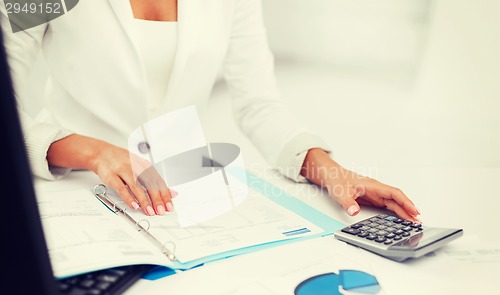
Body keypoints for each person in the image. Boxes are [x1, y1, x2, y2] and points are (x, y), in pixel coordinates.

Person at [1, 0, 420, 222]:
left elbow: (259, 103)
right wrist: (90, 151)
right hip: (71, 191)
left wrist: (330, 169)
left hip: (184, 196)